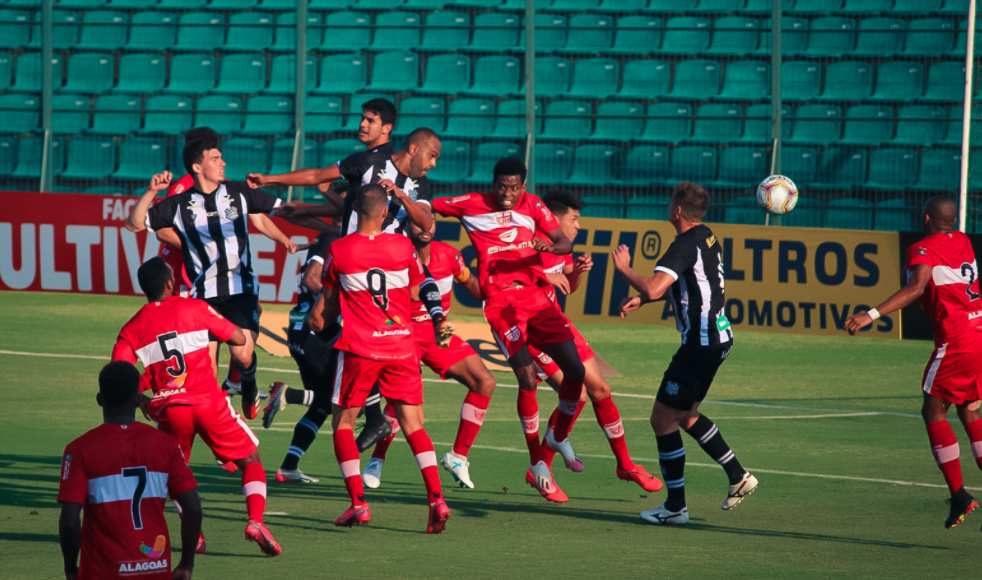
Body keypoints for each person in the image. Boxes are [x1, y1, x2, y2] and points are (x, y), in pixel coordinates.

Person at [432, 159, 660, 503]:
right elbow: (522, 268)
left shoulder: (548, 236)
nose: (578, 226)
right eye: (574, 219)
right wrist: (543, 274)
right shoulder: (524, 232)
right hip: (514, 313)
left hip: (545, 313)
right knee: (575, 391)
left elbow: (567, 281)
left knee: (597, 387)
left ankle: (618, 462)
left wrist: (574, 271)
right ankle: (541, 462)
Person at [248, 127, 451, 451]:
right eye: (433, 155)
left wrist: (400, 195)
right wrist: (270, 180)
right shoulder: (367, 163)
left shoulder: (418, 185)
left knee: (364, 353)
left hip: (390, 274)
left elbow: (426, 223)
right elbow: (317, 175)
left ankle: (374, 427)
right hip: (353, 265)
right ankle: (374, 422)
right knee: (326, 330)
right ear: (414, 148)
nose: (433, 164)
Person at [111, 257, 281, 556]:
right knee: (251, 459)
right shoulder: (196, 308)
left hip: (169, 407)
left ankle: (197, 536)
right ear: (169, 284)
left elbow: (121, 380)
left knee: (173, 473)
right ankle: (255, 521)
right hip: (208, 400)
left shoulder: (131, 328)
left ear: (144, 290)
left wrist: (145, 402)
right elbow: (239, 338)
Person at [125, 134, 298, 422]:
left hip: (240, 290)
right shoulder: (180, 203)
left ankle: (248, 384)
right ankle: (216, 420)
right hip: (203, 296)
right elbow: (134, 224)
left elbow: (283, 210)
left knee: (243, 356)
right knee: (204, 368)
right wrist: (150, 192)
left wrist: (323, 224)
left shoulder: (237, 192)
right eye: (216, 158)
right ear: (197, 166)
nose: (223, 163)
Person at [308, 183, 450, 534]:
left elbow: (324, 307)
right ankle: (437, 499)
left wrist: (325, 336)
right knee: (414, 425)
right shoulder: (403, 246)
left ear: (355, 210)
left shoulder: (340, 251)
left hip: (360, 348)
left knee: (342, 423)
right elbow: (418, 289)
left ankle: (358, 503)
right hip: (402, 346)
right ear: (385, 212)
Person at [613, 182, 757, 525]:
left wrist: (626, 271)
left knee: (662, 419)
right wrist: (645, 299)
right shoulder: (706, 235)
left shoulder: (683, 245)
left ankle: (676, 506)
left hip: (700, 345)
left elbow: (654, 284)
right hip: (718, 338)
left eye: (670, 203)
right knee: (687, 414)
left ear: (677, 211)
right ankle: (738, 475)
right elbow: (691, 283)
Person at [844, 197, 982, 530]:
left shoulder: (922, 248)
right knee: (969, 410)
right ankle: (961, 494)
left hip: (958, 338)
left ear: (925, 218)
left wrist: (871, 313)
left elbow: (917, 287)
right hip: (979, 330)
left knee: (933, 411)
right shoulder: (963, 240)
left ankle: (960, 495)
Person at [361, 218, 496, 490]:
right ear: (405, 226)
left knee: (485, 382)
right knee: (404, 400)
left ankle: (458, 456)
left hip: (438, 334)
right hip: (402, 334)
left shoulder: (450, 255)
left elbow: (476, 288)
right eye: (417, 221)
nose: (425, 226)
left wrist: (506, 293)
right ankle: (377, 459)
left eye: (430, 220)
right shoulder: (393, 256)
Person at [58, 361, 202, 580]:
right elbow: (192, 508)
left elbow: (70, 520)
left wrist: (70, 568)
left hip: (102, 572)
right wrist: (186, 564)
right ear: (137, 399)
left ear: (99, 400)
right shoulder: (166, 445)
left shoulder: (79, 450)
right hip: (155, 569)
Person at [261, 227, 344, 484]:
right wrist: (345, 302)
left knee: (321, 406)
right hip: (315, 333)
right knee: (348, 400)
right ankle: (287, 394)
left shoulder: (330, 236)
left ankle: (289, 466)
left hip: (302, 329)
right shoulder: (333, 237)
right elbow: (311, 279)